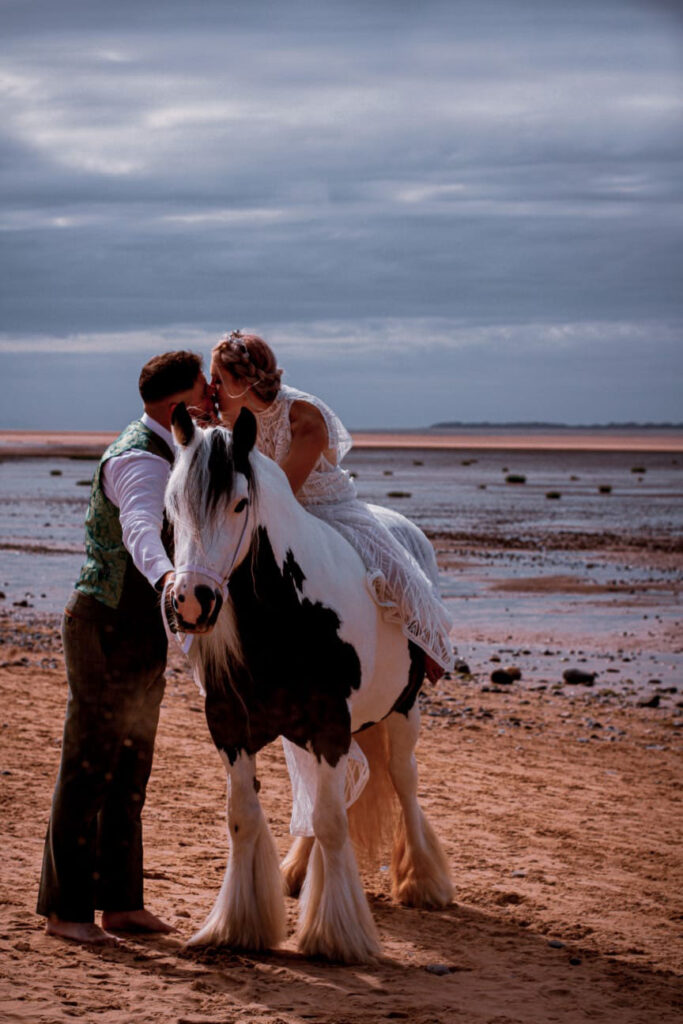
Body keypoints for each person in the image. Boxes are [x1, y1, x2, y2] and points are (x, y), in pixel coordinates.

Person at [37, 351, 212, 945]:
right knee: (88, 761)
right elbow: (140, 528)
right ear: (177, 407)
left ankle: (120, 906)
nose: (213, 401)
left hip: (140, 629)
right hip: (104, 623)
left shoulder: (180, 448)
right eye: (204, 394)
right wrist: (169, 580)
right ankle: (66, 913)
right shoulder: (139, 456)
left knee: (131, 765)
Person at [209, 331, 454, 680]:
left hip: (328, 510)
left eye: (217, 379)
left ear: (239, 380)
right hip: (273, 515)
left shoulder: (304, 416)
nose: (211, 388)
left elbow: (281, 491)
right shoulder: (227, 422)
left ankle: (427, 648)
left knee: (395, 569)